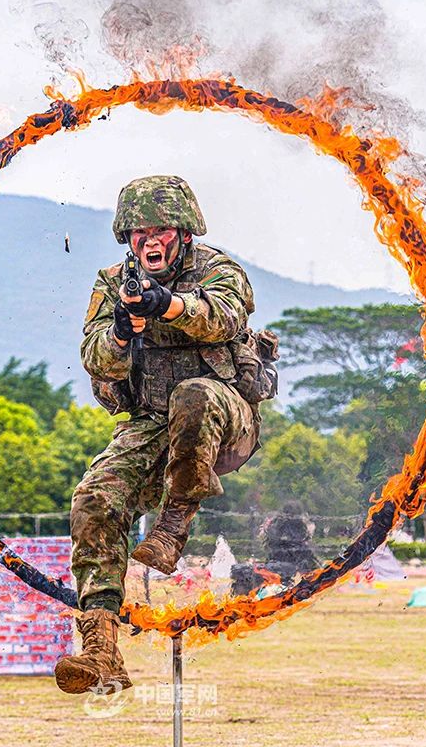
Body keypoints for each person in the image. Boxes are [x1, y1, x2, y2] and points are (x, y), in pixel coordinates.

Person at [54, 175, 278, 694]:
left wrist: (167, 305)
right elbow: (92, 356)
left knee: (193, 394)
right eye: (139, 232)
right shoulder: (113, 283)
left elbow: (223, 316)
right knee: (95, 498)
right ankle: (100, 648)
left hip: (224, 419)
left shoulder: (218, 269)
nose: (149, 241)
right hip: (150, 424)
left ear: (184, 232)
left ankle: (174, 523)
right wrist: (120, 331)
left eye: (161, 230)